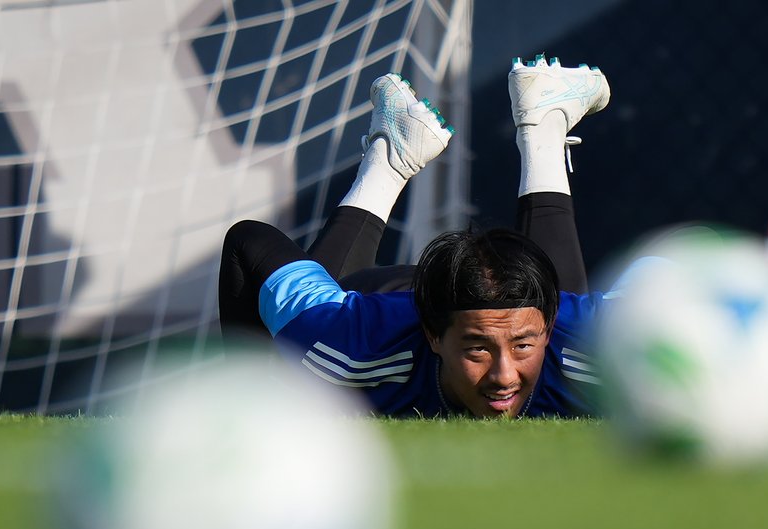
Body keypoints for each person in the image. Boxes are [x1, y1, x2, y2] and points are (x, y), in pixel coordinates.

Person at [218, 55, 610, 418]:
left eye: (523, 345)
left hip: (567, 330)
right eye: (477, 348)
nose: (504, 376)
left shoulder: (605, 347)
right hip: (380, 293)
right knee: (295, 379)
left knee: (568, 319)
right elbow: (247, 241)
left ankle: (541, 125)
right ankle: (389, 160)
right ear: (434, 338)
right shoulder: (346, 346)